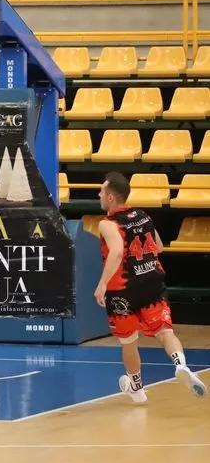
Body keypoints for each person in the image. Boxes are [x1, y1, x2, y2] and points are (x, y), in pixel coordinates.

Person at [95, 172, 206, 403]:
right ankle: (180, 364)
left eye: (102, 191)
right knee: (165, 332)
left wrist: (102, 284)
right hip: (151, 284)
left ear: (112, 198)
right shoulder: (144, 216)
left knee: (128, 341)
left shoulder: (108, 224)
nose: (99, 194)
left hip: (122, 290)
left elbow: (116, 252)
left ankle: (137, 388)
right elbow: (160, 247)